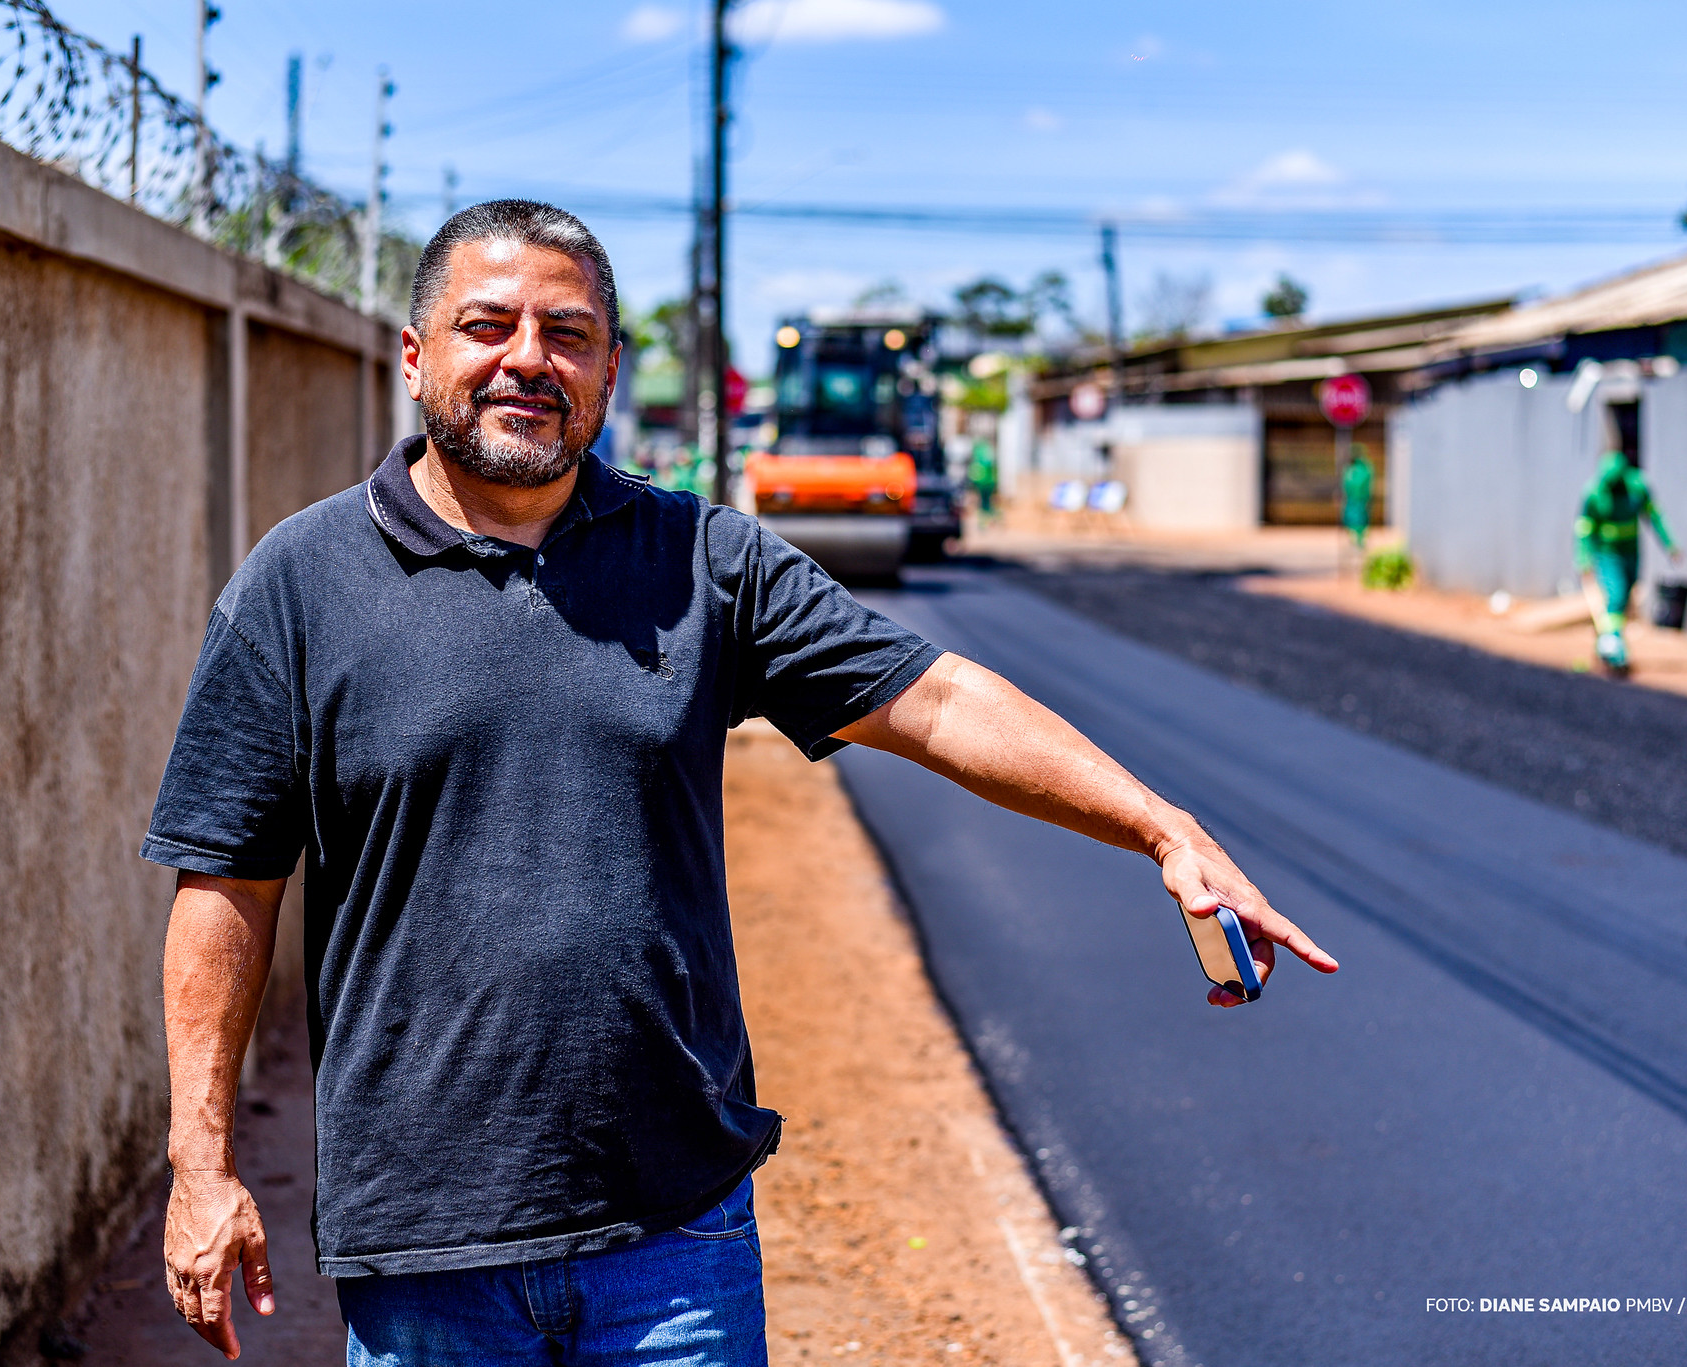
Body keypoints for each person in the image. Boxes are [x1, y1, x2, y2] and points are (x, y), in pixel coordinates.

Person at [146, 200, 1338, 1366]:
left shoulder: (701, 561)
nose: (527, 359)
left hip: (673, 1236)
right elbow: (227, 884)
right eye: (488, 324)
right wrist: (202, 1167)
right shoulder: (300, 583)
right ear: (415, 357)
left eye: (566, 334)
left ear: (609, 371)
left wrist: (1155, 824)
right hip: (426, 1248)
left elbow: (934, 699)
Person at [1574, 448, 1679, 674]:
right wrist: (1583, 559)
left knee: (1627, 597)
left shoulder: (1637, 488)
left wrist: (1670, 545)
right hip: (1606, 553)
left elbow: (1654, 516)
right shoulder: (1595, 493)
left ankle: (1605, 640)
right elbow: (1584, 529)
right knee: (1616, 595)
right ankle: (1612, 645)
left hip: (1631, 553)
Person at [1340, 443, 1373, 549]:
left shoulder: (1360, 468)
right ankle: (1356, 540)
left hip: (1359, 498)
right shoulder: (1356, 468)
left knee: (1359, 519)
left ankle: (1359, 540)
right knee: (1353, 519)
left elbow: (1357, 483)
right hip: (1355, 499)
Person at [966, 436, 998, 524]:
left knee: (984, 504)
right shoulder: (987, 460)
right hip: (987, 484)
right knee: (985, 504)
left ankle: (985, 521)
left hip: (983, 485)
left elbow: (974, 474)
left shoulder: (979, 461)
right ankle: (988, 520)